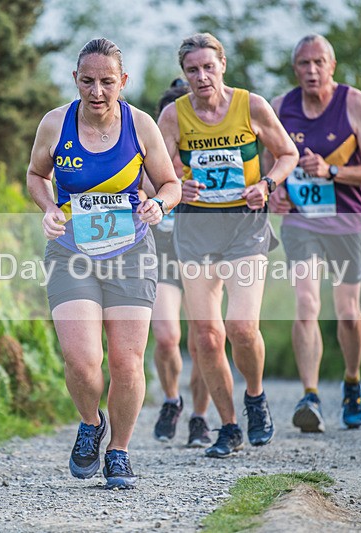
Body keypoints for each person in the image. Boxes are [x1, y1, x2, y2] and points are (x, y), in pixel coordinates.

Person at [26, 38, 180, 489]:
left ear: (123, 81)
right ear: (75, 79)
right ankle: (91, 423)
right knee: (81, 360)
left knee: (127, 363)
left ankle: (119, 452)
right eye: (88, 81)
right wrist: (49, 208)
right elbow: (37, 175)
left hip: (131, 253)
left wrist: (161, 206)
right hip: (72, 253)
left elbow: (169, 183)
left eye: (107, 81)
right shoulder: (55, 124)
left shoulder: (142, 125)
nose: (97, 91)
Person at [158, 33, 298, 458]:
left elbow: (287, 153)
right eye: (192, 70)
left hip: (245, 226)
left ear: (222, 65)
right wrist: (178, 187)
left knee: (240, 327)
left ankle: (254, 397)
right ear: (184, 75)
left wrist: (267, 184)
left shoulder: (251, 105)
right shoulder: (172, 116)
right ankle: (229, 425)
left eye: (208, 67)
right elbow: (156, 175)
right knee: (206, 336)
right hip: (196, 228)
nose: (201, 77)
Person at [265, 34, 361, 432]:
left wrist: (333, 171)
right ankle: (310, 395)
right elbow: (269, 167)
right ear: (295, 69)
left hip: (347, 221)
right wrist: (276, 194)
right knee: (306, 302)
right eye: (304, 63)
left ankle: (352, 381)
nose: (312, 70)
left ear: (332, 65)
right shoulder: (280, 108)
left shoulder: (354, 103)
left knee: (348, 312)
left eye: (319, 62)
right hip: (302, 223)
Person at [143, 79, 212, 448]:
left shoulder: (209, 150)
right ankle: (172, 400)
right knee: (168, 336)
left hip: (203, 251)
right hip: (165, 250)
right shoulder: (149, 153)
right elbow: (134, 189)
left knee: (204, 340)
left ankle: (200, 418)